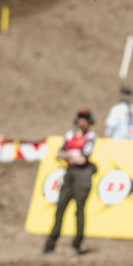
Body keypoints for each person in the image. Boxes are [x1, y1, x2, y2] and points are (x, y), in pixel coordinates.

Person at [43, 108, 97, 256]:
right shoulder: (69, 135)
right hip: (70, 174)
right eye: (80, 117)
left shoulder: (90, 136)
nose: (82, 121)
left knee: (79, 210)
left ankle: (76, 245)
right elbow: (58, 153)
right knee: (60, 208)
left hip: (83, 175)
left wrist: (69, 155)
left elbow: (83, 158)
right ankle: (50, 244)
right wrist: (73, 155)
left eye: (85, 118)